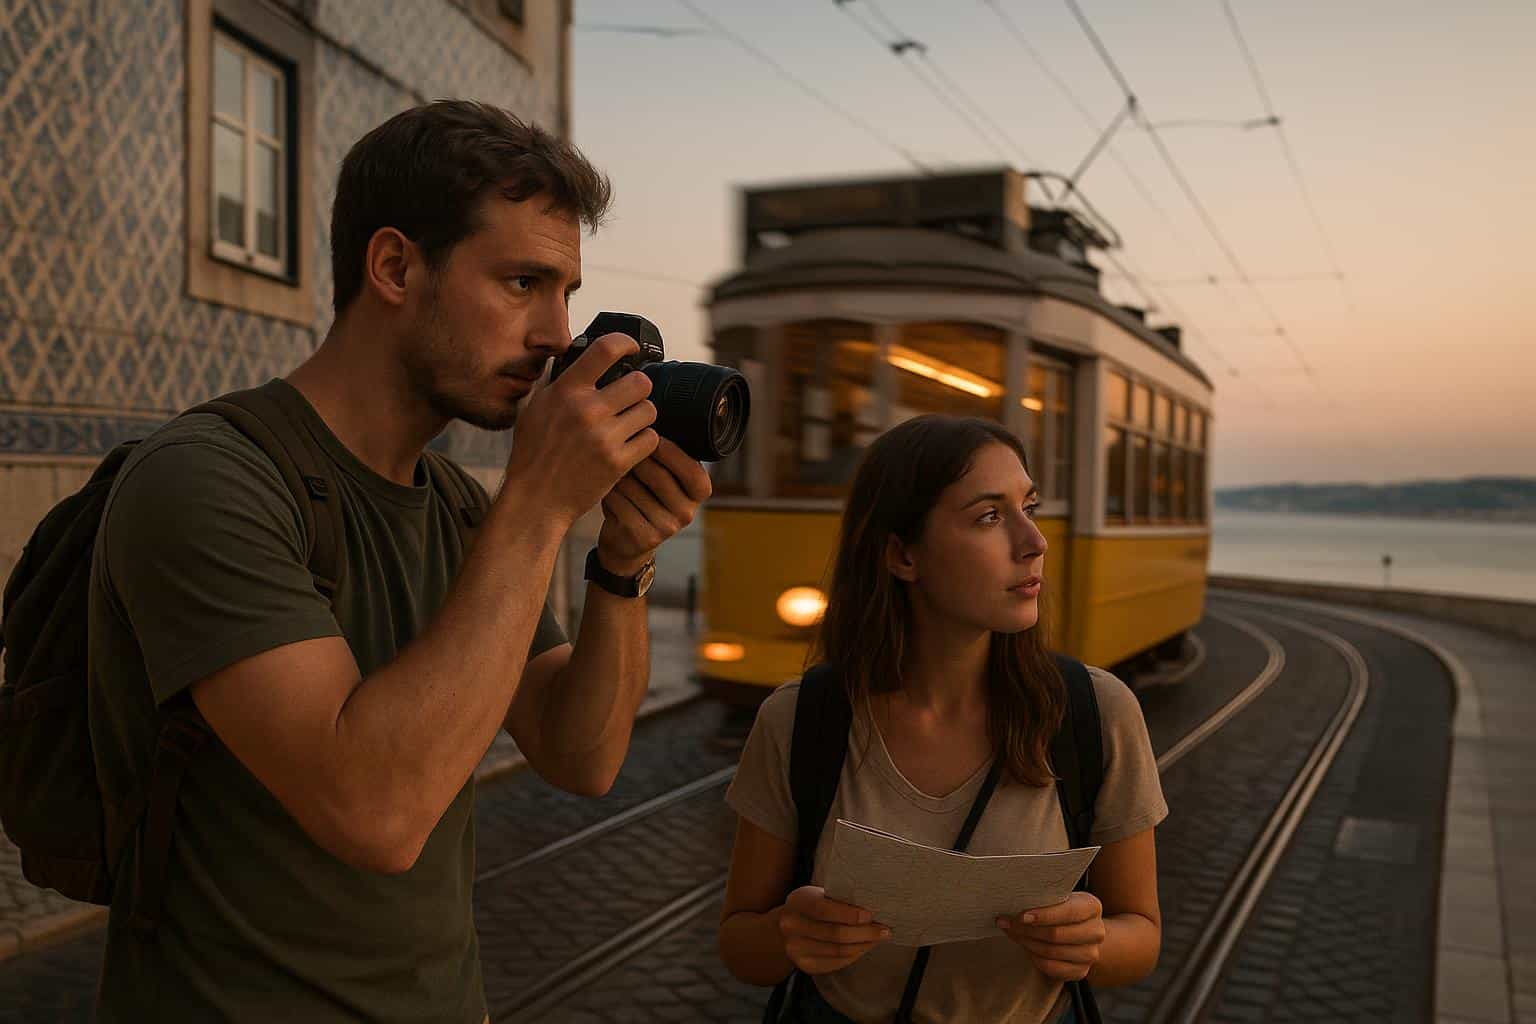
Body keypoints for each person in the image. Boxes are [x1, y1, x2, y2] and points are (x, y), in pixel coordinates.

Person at [87, 100, 710, 1022]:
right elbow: (374, 816)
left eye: (566, 295)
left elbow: (581, 757)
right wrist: (536, 507)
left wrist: (621, 561)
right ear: (393, 266)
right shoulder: (209, 480)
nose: (553, 334)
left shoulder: (459, 508)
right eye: (522, 283)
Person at [718, 415, 1165, 1022]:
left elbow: (1141, 938)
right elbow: (742, 947)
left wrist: (1092, 944)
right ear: (903, 555)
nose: (1034, 541)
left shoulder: (1096, 711)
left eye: (1028, 506)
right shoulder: (800, 719)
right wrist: (789, 935)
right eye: (989, 516)